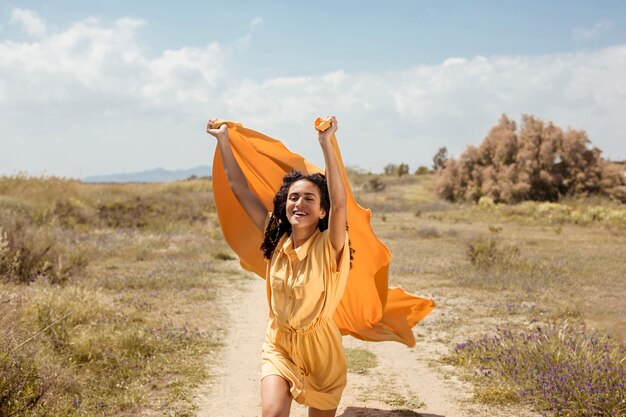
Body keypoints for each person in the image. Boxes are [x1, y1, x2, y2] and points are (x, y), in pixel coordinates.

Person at [207, 116, 349, 417]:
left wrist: (327, 144)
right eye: (293, 197)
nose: (300, 203)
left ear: (322, 211)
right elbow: (239, 189)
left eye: (310, 198)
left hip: (321, 352)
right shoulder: (276, 237)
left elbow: (340, 201)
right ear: (285, 204)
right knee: (272, 414)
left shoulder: (331, 245)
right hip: (280, 343)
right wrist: (223, 140)